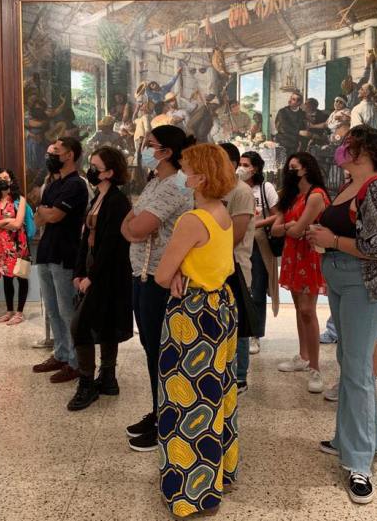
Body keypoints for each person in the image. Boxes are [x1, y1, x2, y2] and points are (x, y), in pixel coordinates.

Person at [306, 125, 377, 504]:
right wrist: (324, 239)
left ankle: (359, 462)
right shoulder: (348, 185)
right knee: (349, 359)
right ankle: (364, 438)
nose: (342, 148)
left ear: (365, 150)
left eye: (349, 143)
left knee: (358, 368)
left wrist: (332, 241)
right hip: (342, 279)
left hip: (365, 281)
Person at [156, 142, 238, 518]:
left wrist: (174, 273)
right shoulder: (222, 213)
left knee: (186, 399)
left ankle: (190, 490)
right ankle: (218, 473)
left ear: (200, 177)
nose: (182, 175)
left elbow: (160, 274)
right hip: (220, 307)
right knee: (216, 392)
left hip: (192, 315)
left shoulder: (193, 220)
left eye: (186, 168)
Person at [121, 125, 194, 452]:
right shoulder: (154, 181)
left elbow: (138, 225)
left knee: (161, 352)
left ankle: (166, 420)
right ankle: (157, 411)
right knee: (152, 348)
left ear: (166, 151)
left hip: (159, 277)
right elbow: (131, 222)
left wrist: (132, 227)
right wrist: (131, 227)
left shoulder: (176, 184)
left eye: (149, 145)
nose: (144, 149)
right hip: (141, 274)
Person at [68, 147, 134, 411]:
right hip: (93, 271)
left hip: (109, 275)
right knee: (103, 324)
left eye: (96, 166)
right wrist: (79, 272)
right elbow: (86, 236)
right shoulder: (98, 196)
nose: (91, 169)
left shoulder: (118, 201)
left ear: (109, 172)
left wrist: (91, 277)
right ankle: (107, 378)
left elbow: (110, 244)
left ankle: (87, 382)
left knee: (80, 326)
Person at [32, 137, 89, 383]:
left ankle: (76, 362)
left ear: (69, 155)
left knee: (67, 311)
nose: (50, 155)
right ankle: (61, 353)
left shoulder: (76, 184)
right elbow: (38, 218)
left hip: (65, 252)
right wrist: (46, 213)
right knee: (52, 310)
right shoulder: (53, 184)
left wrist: (47, 213)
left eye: (55, 150)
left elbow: (54, 215)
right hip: (46, 251)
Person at [272, 153, 330, 393]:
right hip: (292, 256)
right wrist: (288, 227)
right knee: (299, 308)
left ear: (306, 169)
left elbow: (295, 230)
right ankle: (304, 356)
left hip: (308, 256)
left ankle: (315, 366)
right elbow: (279, 230)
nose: (289, 170)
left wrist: (287, 227)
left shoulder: (316, 195)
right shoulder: (293, 196)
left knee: (307, 310)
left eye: (293, 167)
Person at [220, 143, 256, 394]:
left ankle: (239, 376)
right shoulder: (213, 190)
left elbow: (236, 233)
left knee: (238, 321)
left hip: (236, 265)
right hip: (216, 266)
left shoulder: (241, 191)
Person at [238, 151, 281, 356]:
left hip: (259, 244)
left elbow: (277, 215)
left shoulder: (266, 188)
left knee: (257, 289)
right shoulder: (235, 189)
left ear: (255, 168)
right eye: (239, 163)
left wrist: (254, 223)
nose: (241, 168)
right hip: (239, 244)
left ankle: (256, 334)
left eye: (245, 164)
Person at [0, 168, 30, 326]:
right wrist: (7, 221)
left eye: (5, 177)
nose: (3, 180)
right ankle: (9, 311)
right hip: (2, 247)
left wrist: (0, 222)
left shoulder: (20, 199)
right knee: (6, 279)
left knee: (21, 278)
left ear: (11, 180)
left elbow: (18, 224)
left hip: (20, 246)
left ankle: (19, 313)